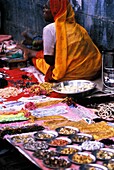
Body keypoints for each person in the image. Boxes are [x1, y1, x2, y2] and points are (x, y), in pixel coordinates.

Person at [18, 0, 102, 83]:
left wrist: (36, 53)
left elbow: (49, 60)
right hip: (92, 71)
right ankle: (30, 52)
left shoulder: (49, 29)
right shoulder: (78, 28)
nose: (43, 9)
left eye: (47, 7)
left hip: (69, 75)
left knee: (38, 61)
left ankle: (30, 53)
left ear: (55, 11)